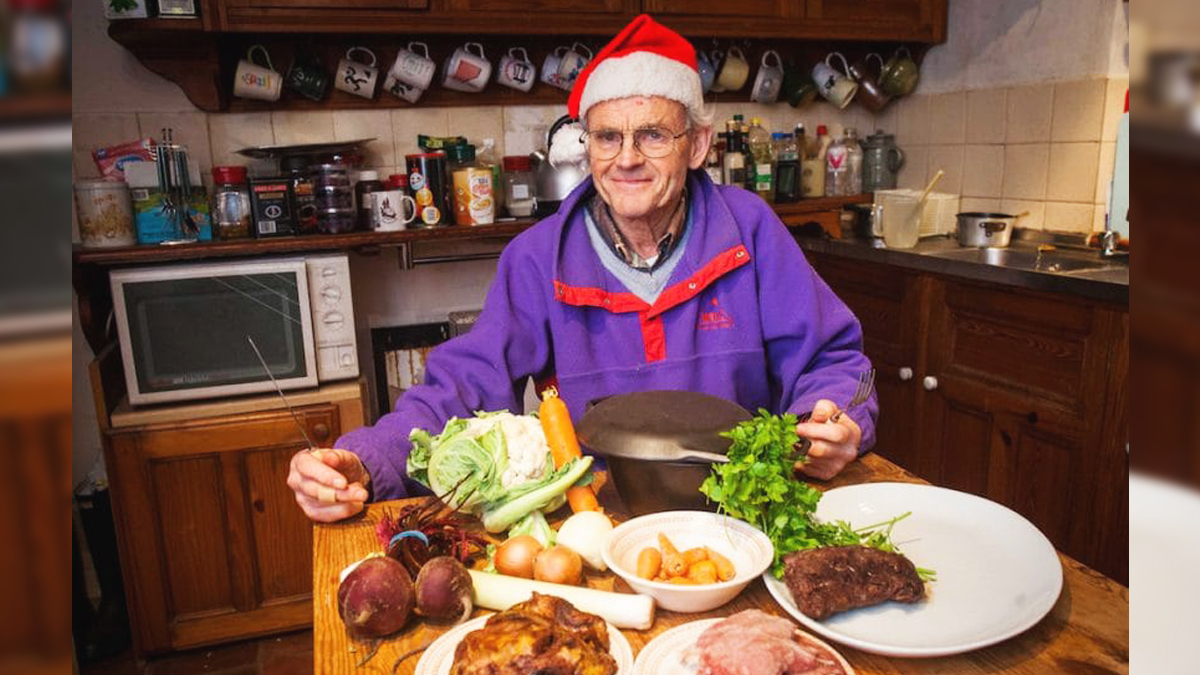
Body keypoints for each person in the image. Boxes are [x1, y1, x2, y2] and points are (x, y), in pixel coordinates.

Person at [287, 14, 878, 523]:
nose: (626, 159)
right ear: (586, 146)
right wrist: (367, 459)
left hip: (746, 512)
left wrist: (832, 422)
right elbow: (458, 389)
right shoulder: (538, 257)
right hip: (597, 520)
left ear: (696, 146)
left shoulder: (751, 231)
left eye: (651, 135)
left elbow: (833, 362)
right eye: (606, 137)